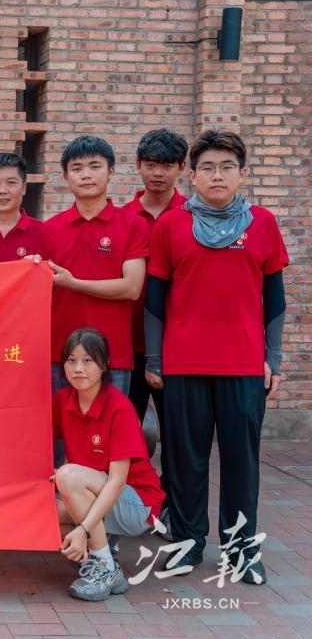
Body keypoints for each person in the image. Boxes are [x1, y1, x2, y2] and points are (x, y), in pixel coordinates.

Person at [145, 130, 287, 585]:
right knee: (185, 462)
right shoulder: (171, 226)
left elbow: (274, 298)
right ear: (192, 174)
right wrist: (155, 360)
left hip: (243, 365)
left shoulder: (262, 223)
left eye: (226, 167)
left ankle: (241, 549)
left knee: (242, 463)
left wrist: (273, 358)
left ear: (241, 173)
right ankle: (187, 543)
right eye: (207, 167)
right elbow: (154, 301)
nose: (217, 175)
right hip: (184, 364)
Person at [53, 328, 165, 601]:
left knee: (67, 477)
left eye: (87, 361)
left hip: (136, 503)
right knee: (46, 519)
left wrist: (83, 530)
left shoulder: (120, 408)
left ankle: (104, 565)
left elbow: (117, 481)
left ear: (104, 365)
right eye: (71, 360)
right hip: (95, 493)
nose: (78, 369)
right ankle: (101, 548)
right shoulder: (62, 400)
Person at [39, 135, 148, 395]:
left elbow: (132, 288)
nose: (86, 175)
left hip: (112, 355)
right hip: (61, 354)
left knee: (110, 422)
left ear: (110, 172)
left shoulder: (133, 225)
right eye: (77, 168)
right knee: (61, 423)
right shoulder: (49, 229)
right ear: (65, 177)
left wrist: (74, 283)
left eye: (94, 166)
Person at [120, 129, 188, 532]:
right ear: (138, 166)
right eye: (150, 164)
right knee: (124, 434)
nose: (157, 172)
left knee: (178, 435)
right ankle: (130, 505)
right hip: (127, 345)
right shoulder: (123, 218)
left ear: (182, 168)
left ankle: (173, 506)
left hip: (177, 348)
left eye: (166, 165)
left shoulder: (194, 216)